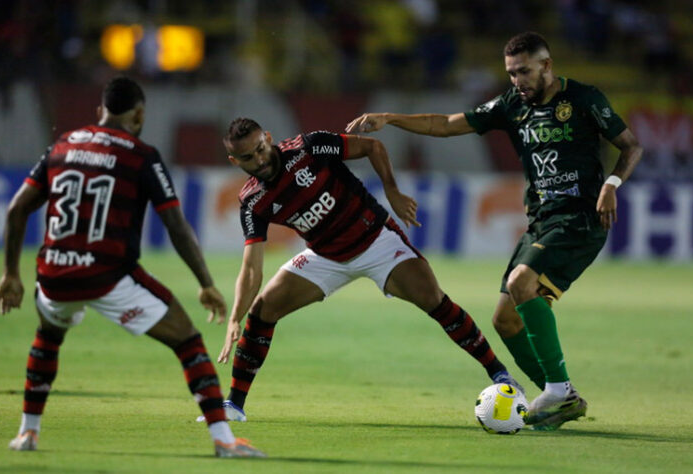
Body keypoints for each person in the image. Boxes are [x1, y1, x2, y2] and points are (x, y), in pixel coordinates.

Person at [346, 31, 643, 431]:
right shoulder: (510, 106)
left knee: (522, 282)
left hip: (579, 218)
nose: (517, 80)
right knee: (505, 320)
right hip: (541, 220)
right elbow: (447, 124)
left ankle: (557, 389)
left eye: (524, 71)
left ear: (547, 66)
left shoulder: (584, 99)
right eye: (511, 73)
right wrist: (391, 119)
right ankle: (560, 395)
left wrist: (612, 185)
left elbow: (631, 147)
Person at [0, 77, 265, 458]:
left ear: (99, 112)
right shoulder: (140, 154)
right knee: (188, 341)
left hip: (53, 274)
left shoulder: (63, 144)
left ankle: (27, 433)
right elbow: (175, 225)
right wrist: (205, 282)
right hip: (107, 275)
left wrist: (10, 274)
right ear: (139, 113)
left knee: (48, 336)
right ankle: (224, 441)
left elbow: (16, 209)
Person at [200, 117, 522, 423]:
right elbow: (252, 266)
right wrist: (234, 318)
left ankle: (499, 373)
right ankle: (235, 406)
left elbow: (372, 147)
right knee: (261, 313)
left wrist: (392, 190)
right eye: (248, 157)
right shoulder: (253, 201)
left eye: (260, 149)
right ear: (235, 161)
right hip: (324, 256)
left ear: (268, 138)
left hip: (376, 240)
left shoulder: (308, 148)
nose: (259, 160)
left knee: (434, 300)